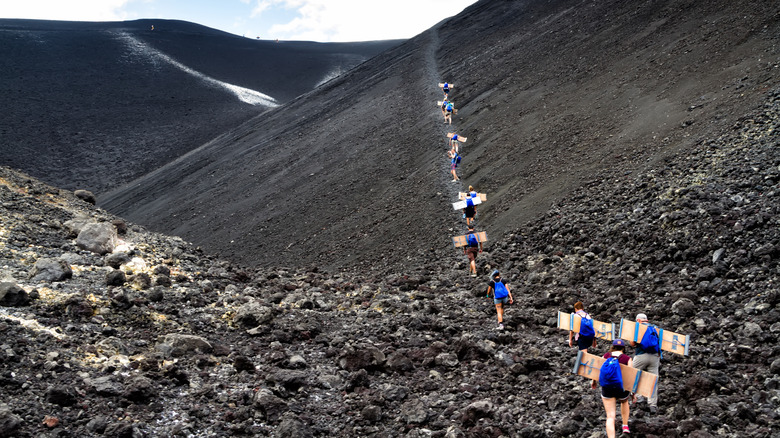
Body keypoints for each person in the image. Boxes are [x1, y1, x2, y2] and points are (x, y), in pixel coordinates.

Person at [591, 339, 636, 437]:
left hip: (607, 388)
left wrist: (594, 381)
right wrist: (633, 393)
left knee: (610, 416)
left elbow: (598, 370)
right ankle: (625, 425)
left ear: (613, 346)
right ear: (623, 348)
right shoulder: (627, 359)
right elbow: (631, 378)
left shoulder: (606, 356)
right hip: (621, 389)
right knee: (624, 402)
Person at [630, 313, 660, 414]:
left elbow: (632, 343)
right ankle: (652, 405)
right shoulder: (655, 328)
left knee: (633, 375)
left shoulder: (638, 327)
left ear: (638, 320)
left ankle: (639, 398)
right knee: (653, 379)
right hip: (655, 357)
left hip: (641, 355)